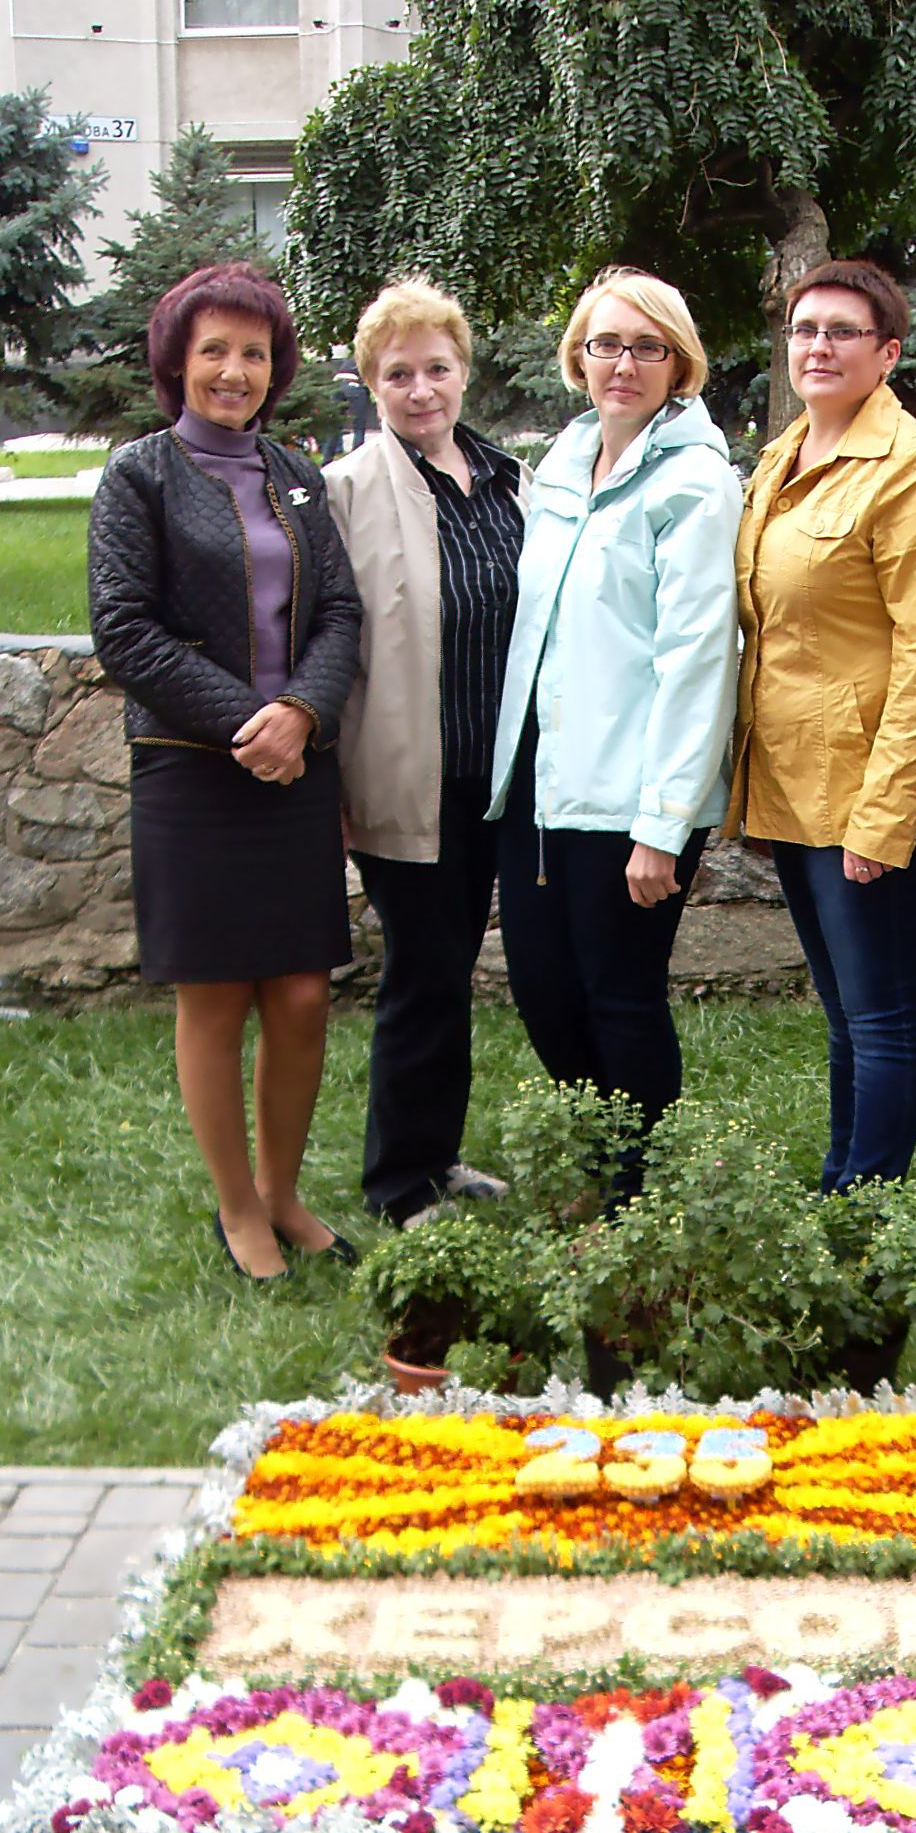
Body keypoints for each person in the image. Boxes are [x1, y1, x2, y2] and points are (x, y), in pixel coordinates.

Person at [88, 260, 362, 1281]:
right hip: (193, 774)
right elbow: (124, 629)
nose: (235, 371)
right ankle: (238, 1207)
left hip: (295, 771)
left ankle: (284, 1193)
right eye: (215, 350)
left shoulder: (298, 475)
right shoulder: (139, 476)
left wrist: (301, 713)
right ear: (179, 360)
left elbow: (340, 612)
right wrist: (255, 719)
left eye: (254, 352)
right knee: (213, 999)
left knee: (300, 996)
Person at [486, 267, 741, 1160]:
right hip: (541, 784)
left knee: (619, 997)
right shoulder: (561, 466)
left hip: (632, 797)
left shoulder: (695, 482)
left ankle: (642, 1193)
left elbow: (696, 660)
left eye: (647, 347)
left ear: (680, 364)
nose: (623, 364)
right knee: (543, 991)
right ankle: (598, 1161)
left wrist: (662, 826)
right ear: (579, 358)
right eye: (606, 345)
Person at [726, 259, 916, 1193]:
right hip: (791, 782)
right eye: (804, 330)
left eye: (842, 332)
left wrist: (886, 815)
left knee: (884, 1017)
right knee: (843, 1013)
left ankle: (869, 1207)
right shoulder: (784, 455)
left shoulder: (907, 467)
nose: (817, 347)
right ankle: (843, 1186)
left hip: (864, 790)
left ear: (887, 353)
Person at [326, 279, 529, 1228]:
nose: (421, 390)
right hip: (412, 776)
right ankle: (400, 1181)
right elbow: (326, 640)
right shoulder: (347, 492)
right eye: (398, 374)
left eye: (437, 369)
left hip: (506, 778)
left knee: (455, 971)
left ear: (464, 372)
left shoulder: (511, 479)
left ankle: (438, 1157)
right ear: (372, 385)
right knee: (423, 972)